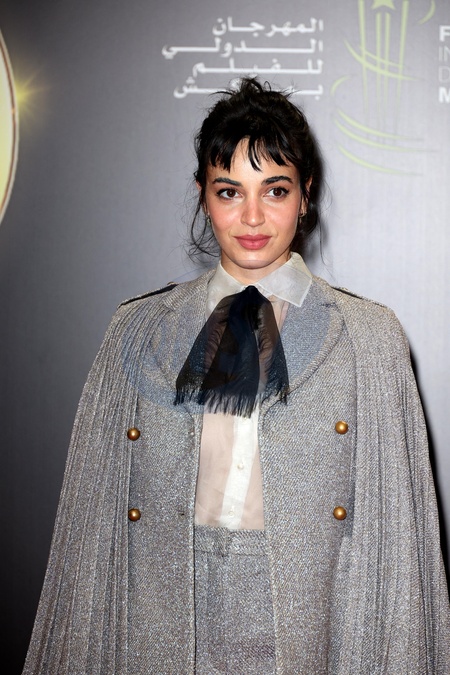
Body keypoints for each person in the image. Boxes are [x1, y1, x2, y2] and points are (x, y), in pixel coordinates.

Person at [23, 78, 449, 674]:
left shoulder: (370, 338)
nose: (252, 216)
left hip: (316, 632)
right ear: (203, 197)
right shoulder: (137, 329)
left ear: (305, 196)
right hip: (162, 631)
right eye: (229, 191)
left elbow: (398, 546)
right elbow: (90, 534)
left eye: (274, 190)